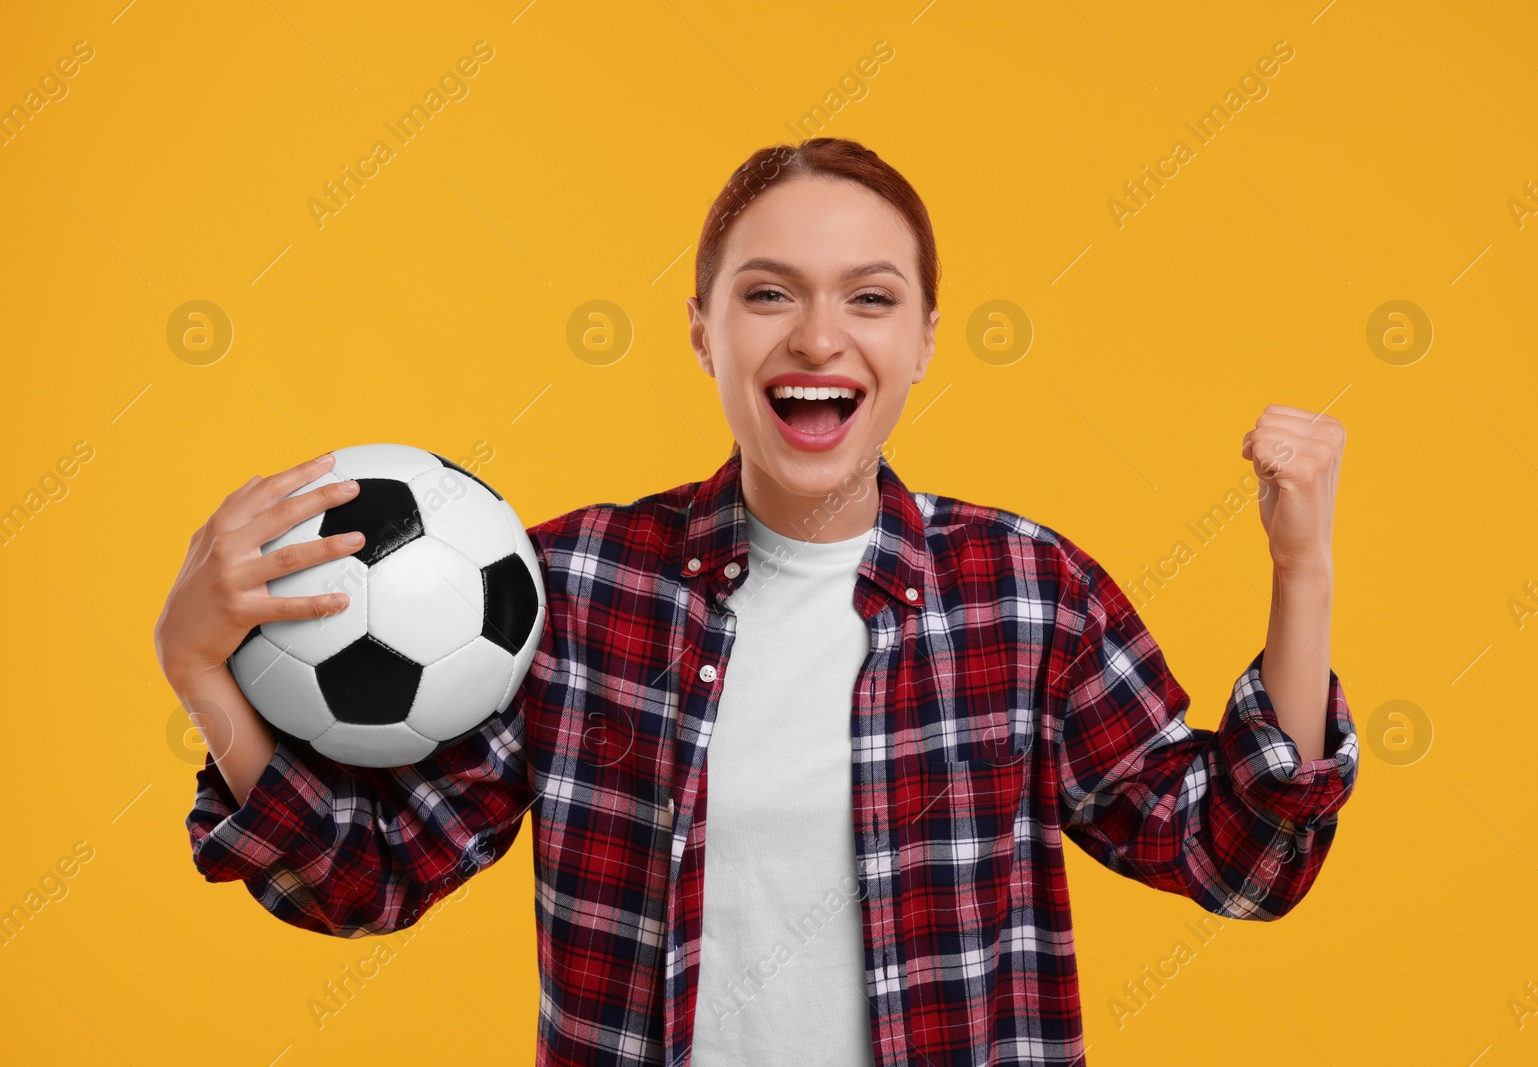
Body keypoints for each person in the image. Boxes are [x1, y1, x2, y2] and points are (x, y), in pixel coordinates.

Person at [154, 137, 1358, 1067]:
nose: (819, 336)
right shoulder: (570, 591)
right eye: (768, 294)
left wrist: (1301, 572)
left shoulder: (1025, 594)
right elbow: (369, 874)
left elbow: (1240, 857)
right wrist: (206, 671)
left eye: (872, 298)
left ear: (928, 337)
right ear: (703, 329)